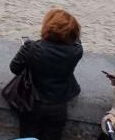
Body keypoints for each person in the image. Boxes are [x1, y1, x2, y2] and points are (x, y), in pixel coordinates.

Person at [7, 8, 83, 140]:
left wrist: (26, 47)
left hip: (32, 103)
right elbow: (77, 40)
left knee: (28, 137)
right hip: (58, 105)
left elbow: (15, 68)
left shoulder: (31, 48)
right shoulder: (76, 52)